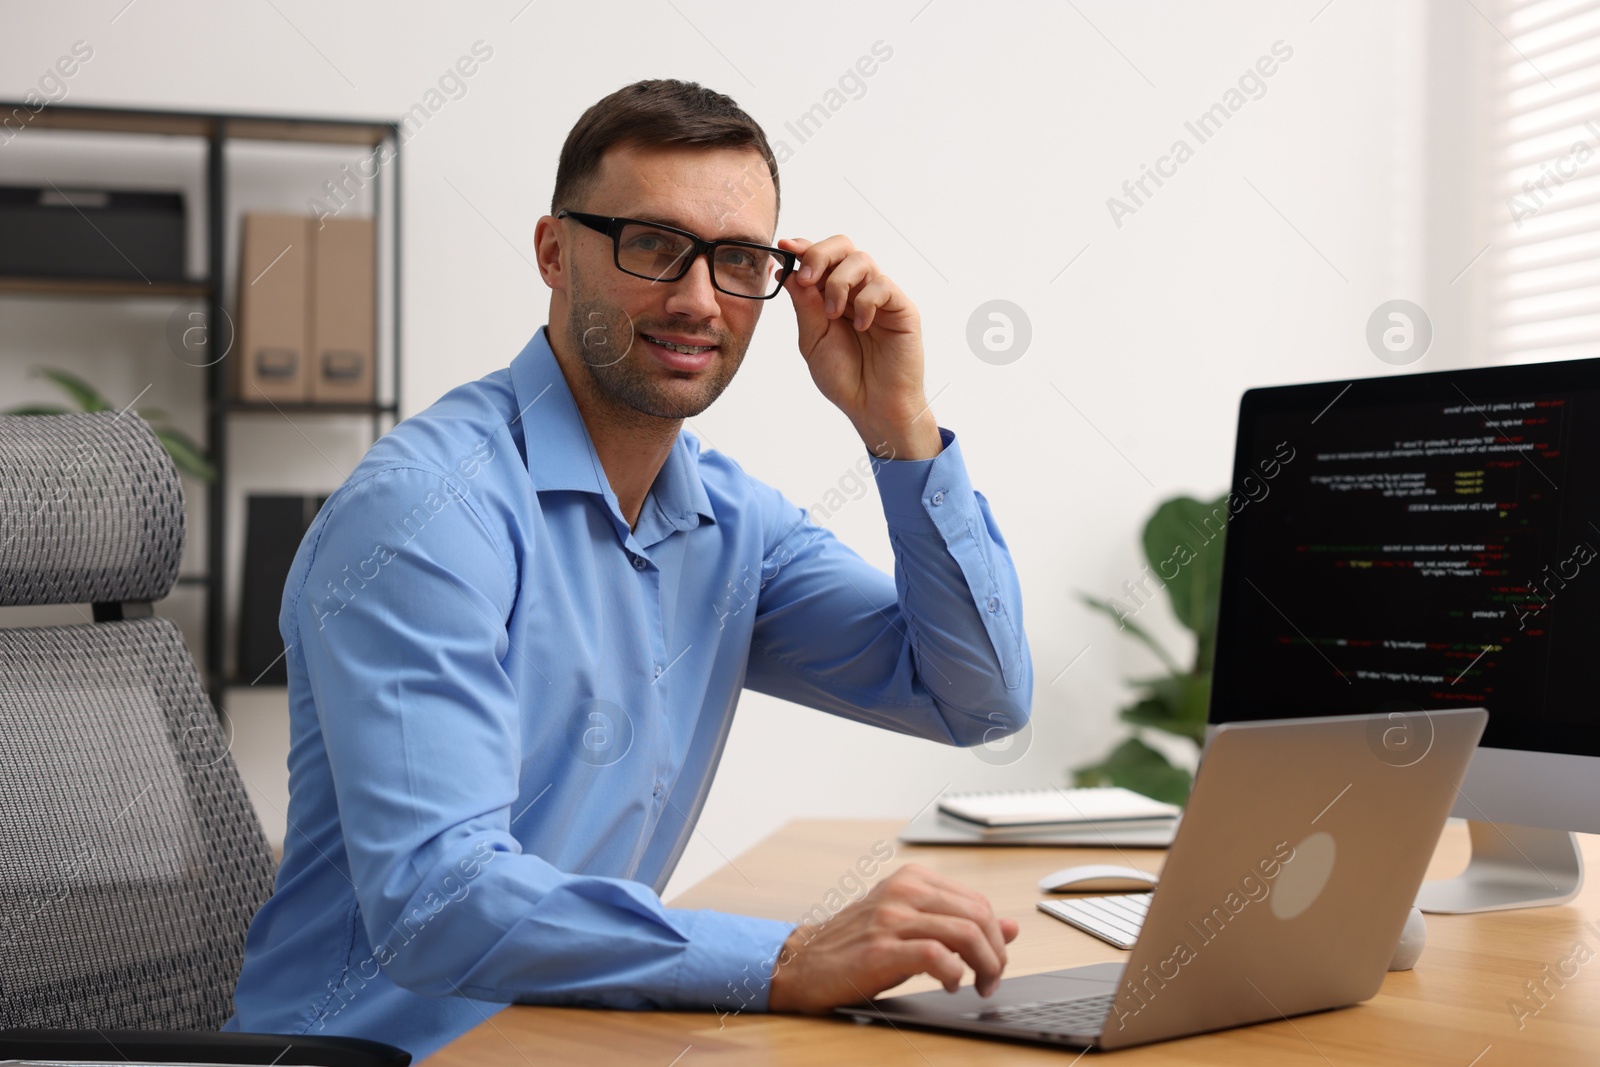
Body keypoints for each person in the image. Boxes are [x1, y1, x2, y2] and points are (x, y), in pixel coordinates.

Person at [224, 78, 1033, 1060]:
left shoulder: (732, 523)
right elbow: (439, 901)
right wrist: (788, 958)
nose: (698, 300)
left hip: (570, 1040)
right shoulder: (425, 513)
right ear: (554, 253)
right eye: (654, 245)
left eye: (738, 260)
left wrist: (897, 426)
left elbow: (975, 698)